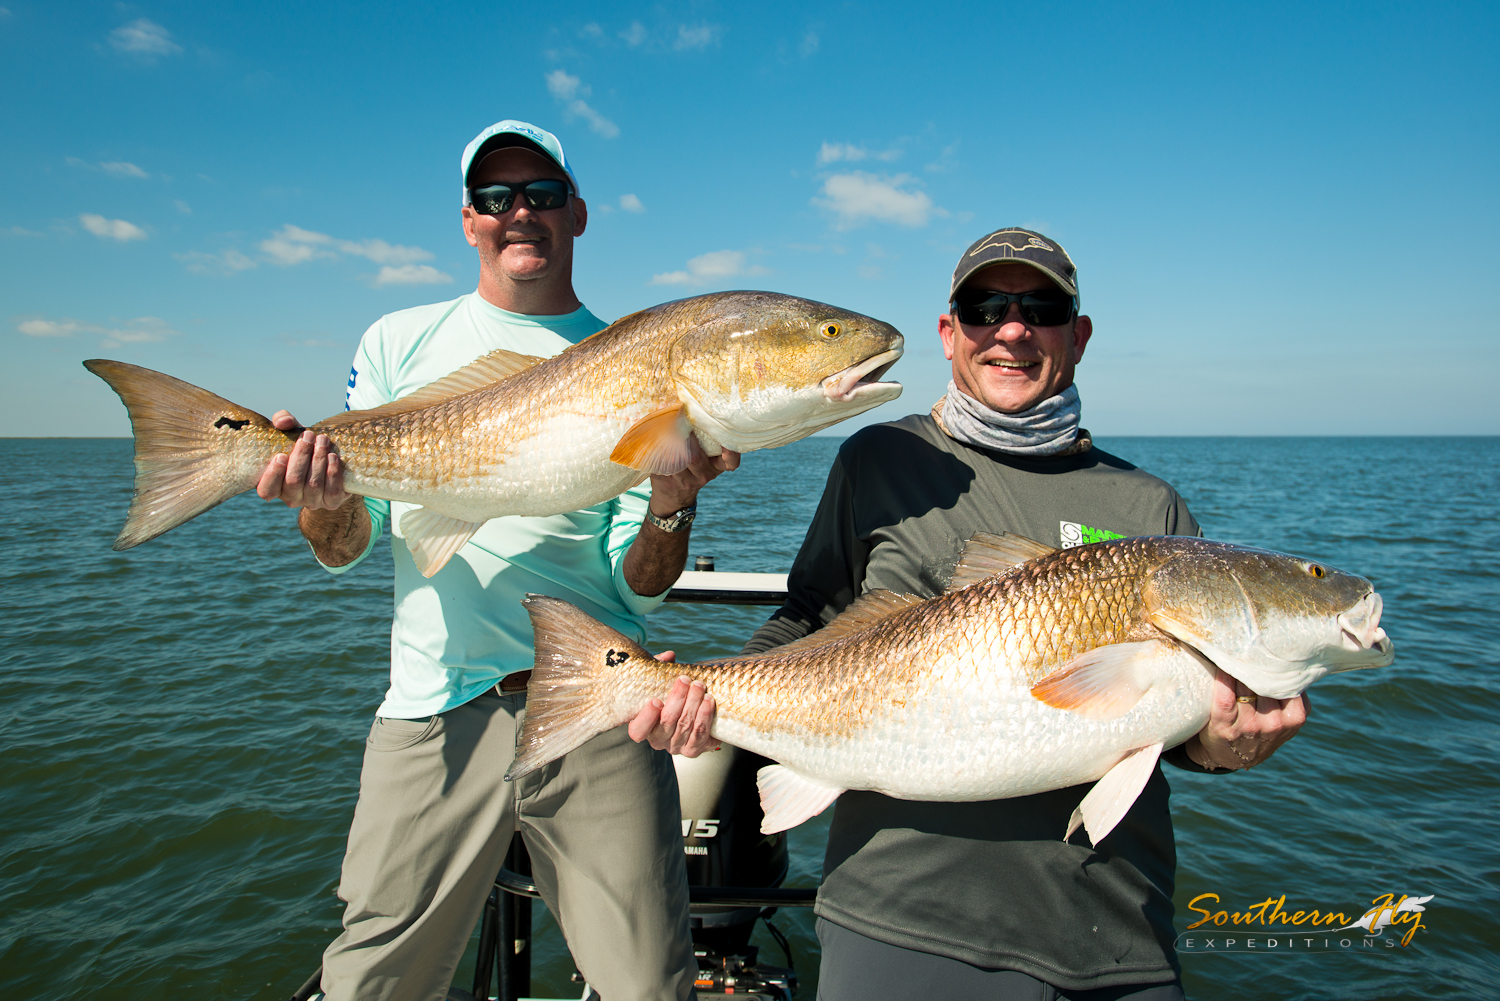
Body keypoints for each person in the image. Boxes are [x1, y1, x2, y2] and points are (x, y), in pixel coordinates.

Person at [737, 228, 1309, 1000]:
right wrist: (703, 700)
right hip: (899, 919)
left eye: (1041, 308)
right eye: (984, 306)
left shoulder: (1148, 506)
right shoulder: (879, 459)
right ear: (949, 334)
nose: (1011, 328)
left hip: (1114, 929)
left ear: (1079, 335)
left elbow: (1181, 733)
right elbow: (808, 617)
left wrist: (1228, 745)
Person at [256, 120, 724, 1001]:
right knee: (373, 982)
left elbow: (640, 582)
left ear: (578, 214)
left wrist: (674, 503)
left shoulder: (636, 358)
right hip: (435, 705)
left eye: (542, 195)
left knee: (650, 987)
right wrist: (320, 507)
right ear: (467, 220)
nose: (520, 213)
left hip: (600, 705)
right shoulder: (395, 342)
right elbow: (351, 543)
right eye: (496, 197)